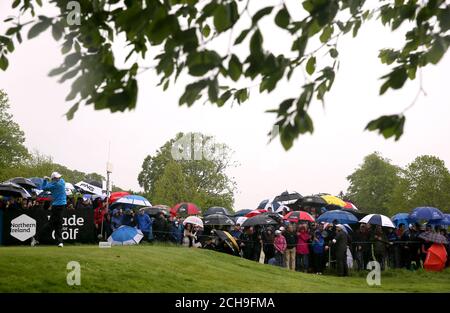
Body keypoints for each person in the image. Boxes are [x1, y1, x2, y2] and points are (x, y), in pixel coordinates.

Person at [31, 172, 66, 248]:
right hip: (57, 206)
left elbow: (43, 188)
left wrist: (45, 180)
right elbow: (56, 182)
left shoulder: (52, 185)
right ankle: (36, 237)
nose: (59, 178)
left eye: (58, 177)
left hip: (58, 206)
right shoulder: (61, 182)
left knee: (58, 224)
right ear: (54, 179)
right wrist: (49, 180)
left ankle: (59, 242)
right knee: (53, 224)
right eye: (57, 178)